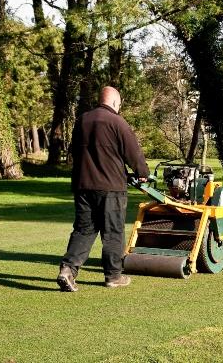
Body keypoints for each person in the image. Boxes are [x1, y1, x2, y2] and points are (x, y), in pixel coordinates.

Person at [57, 86, 149, 292]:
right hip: (110, 187)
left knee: (83, 230)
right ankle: (114, 276)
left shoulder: (82, 120)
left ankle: (68, 270)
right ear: (116, 103)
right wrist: (143, 171)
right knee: (113, 232)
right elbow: (133, 152)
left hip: (83, 185)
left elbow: (75, 151)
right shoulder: (117, 122)